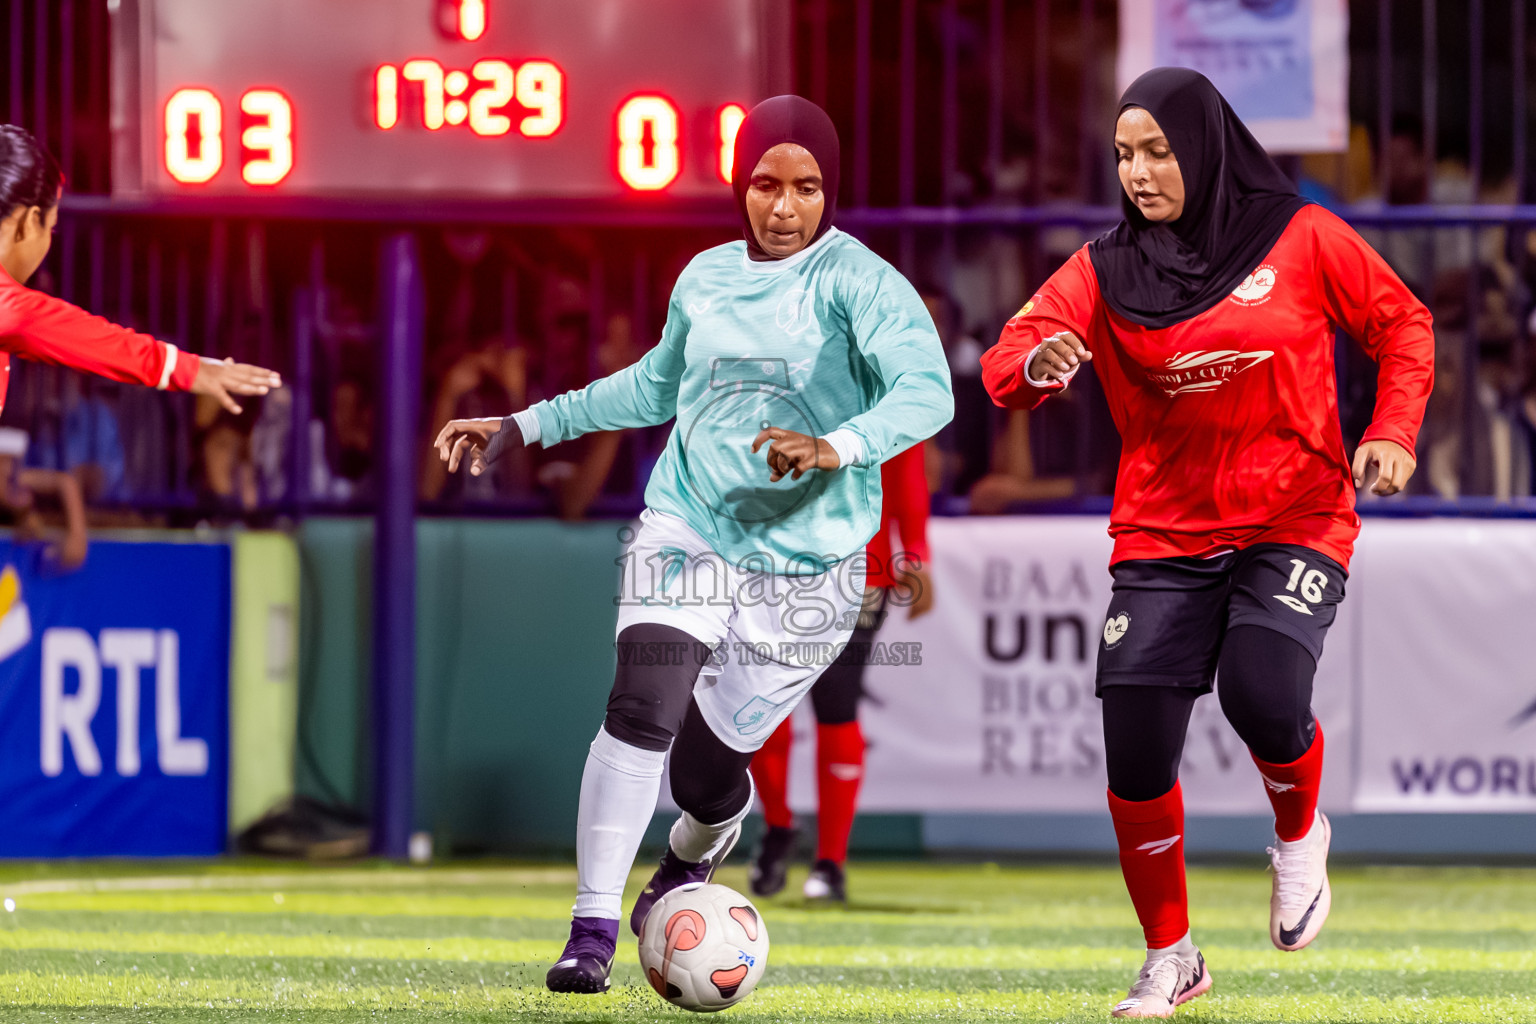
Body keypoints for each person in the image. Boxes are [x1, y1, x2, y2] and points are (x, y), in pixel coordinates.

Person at [435, 96, 952, 995]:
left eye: (807, 188)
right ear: (738, 183)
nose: (784, 207)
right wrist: (523, 424)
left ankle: (688, 857)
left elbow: (929, 390)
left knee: (709, 775)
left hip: (811, 569)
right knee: (641, 705)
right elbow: (652, 386)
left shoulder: (860, 281)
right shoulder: (705, 277)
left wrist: (840, 445)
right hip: (691, 524)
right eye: (764, 184)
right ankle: (591, 929)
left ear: (830, 192)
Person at [980, 69, 1433, 1018]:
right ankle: (1172, 956)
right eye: (1122, 155)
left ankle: (1300, 831)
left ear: (1205, 145)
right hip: (1163, 533)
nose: (1138, 172)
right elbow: (1001, 364)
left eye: (1157, 151)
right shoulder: (1103, 269)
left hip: (1295, 516)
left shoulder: (1301, 236)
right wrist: (1036, 364)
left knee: (1262, 692)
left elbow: (1403, 323)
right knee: (1136, 754)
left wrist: (1391, 428)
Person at [746, 439, 933, 903]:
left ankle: (830, 862)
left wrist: (916, 553)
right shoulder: (783, 377)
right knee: (767, 704)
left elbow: (906, 463)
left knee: (836, 701)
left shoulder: (883, 378)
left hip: (861, 571)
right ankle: (779, 826)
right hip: (778, 564)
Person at [0, 126, 281, 429]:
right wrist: (192, 369)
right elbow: (92, 340)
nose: (49, 242)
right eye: (51, 228)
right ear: (29, 223)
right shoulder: (11, 308)